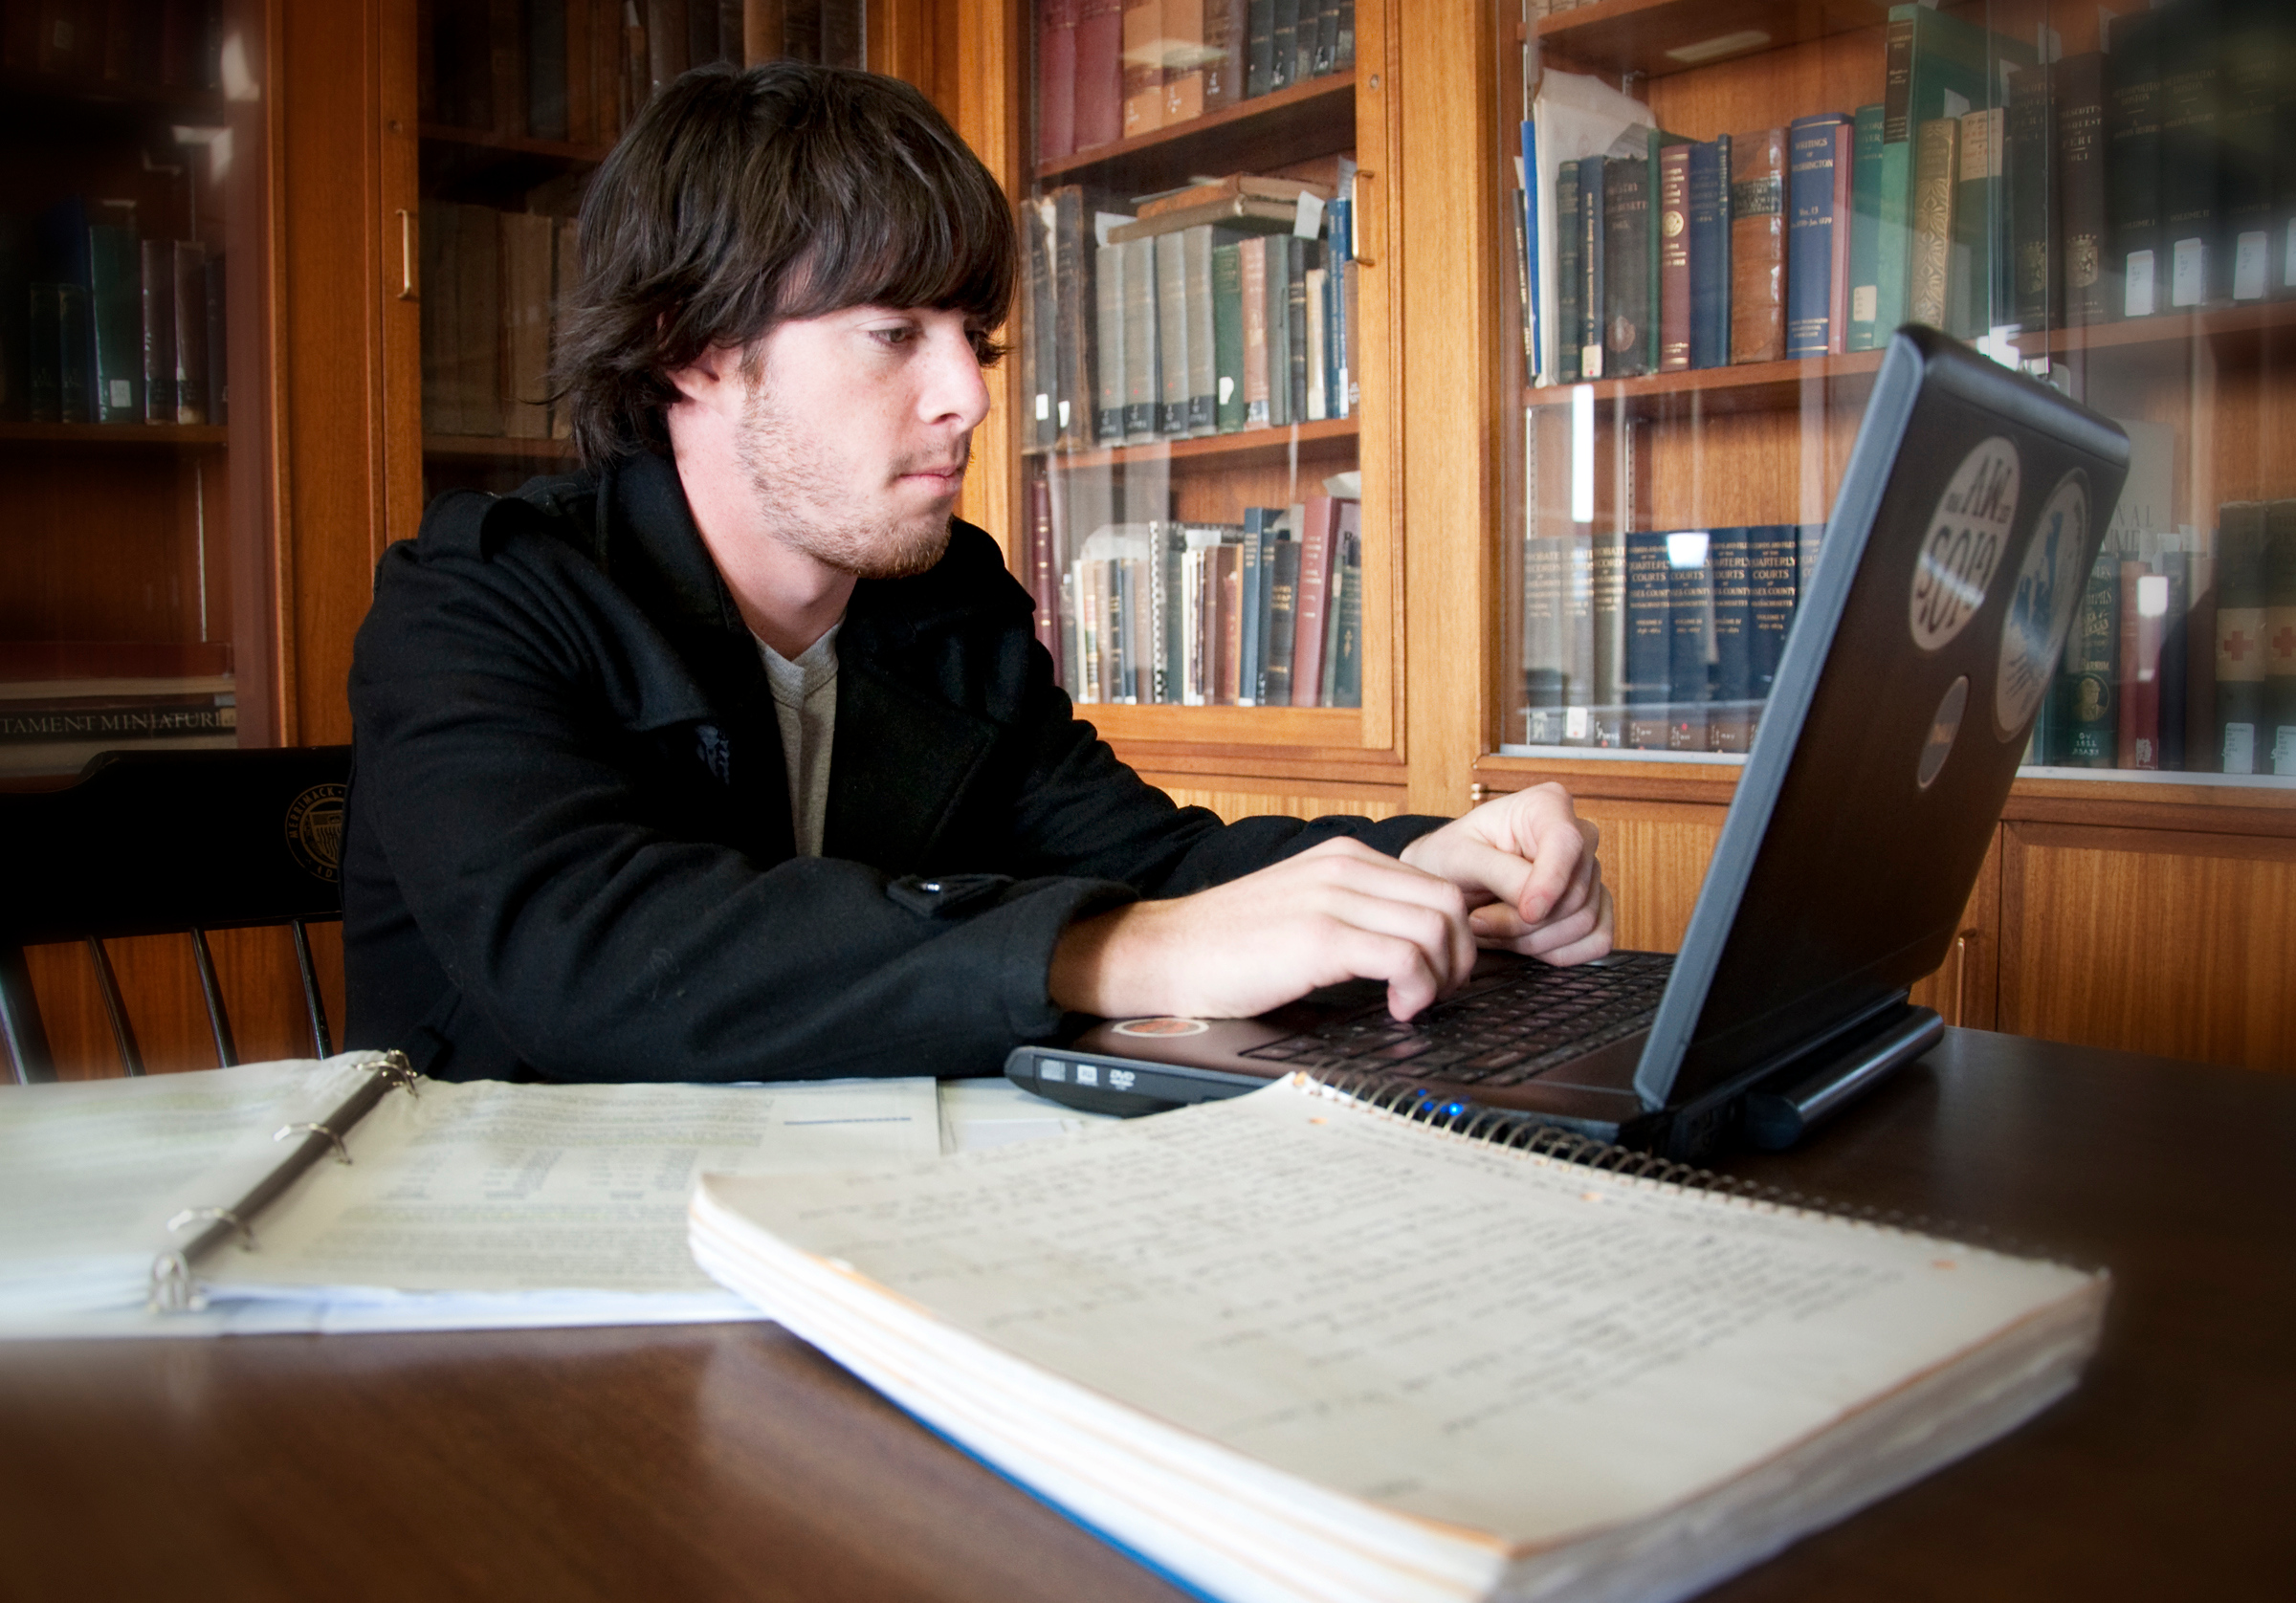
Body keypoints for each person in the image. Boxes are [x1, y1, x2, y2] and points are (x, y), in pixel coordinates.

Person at [342, 61, 1611, 1085]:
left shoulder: (944, 603)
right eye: (895, 334)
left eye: (975, 337)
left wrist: (1427, 858)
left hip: (856, 1232)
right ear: (694, 351)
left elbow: (1157, 864)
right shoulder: (476, 601)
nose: (969, 395)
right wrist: (1111, 954)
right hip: (527, 1305)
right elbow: (595, 965)